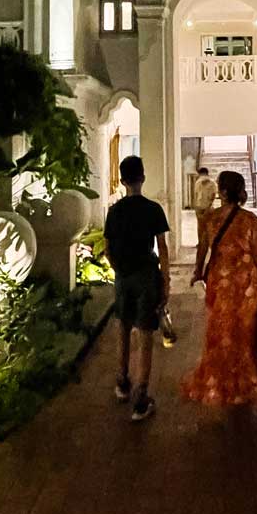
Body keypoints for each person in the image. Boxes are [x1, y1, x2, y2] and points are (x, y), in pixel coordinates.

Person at [182, 170, 257, 405]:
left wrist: (198, 271)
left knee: (220, 328)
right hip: (245, 282)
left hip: (220, 280)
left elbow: (202, 248)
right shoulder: (250, 220)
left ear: (224, 192)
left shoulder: (211, 218)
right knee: (244, 329)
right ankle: (242, 379)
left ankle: (218, 379)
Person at [104, 155, 171, 422]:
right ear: (143, 177)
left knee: (123, 327)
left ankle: (122, 382)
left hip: (123, 276)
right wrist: (165, 281)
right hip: (146, 275)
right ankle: (141, 396)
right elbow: (162, 248)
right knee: (145, 333)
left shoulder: (114, 211)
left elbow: (108, 250)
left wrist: (119, 270)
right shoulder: (152, 209)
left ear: (122, 181)